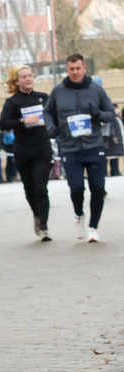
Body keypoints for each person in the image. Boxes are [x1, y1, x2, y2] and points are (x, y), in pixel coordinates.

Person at [44, 53, 116, 243]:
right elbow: (46, 113)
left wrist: (98, 114)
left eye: (78, 68)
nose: (75, 72)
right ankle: (79, 215)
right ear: (67, 70)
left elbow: (111, 113)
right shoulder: (58, 91)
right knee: (76, 188)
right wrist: (51, 128)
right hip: (70, 147)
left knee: (98, 188)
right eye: (71, 69)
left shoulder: (96, 89)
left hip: (94, 146)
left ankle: (93, 227)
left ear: (84, 68)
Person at [0, 65, 53, 241]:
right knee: (30, 189)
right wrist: (23, 120)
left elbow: (55, 116)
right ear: (17, 81)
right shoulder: (12, 102)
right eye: (24, 77)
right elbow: (3, 123)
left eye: (30, 76)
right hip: (23, 150)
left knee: (40, 187)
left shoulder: (43, 98)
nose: (28, 79)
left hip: (42, 148)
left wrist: (50, 124)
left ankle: (44, 226)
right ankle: (37, 215)